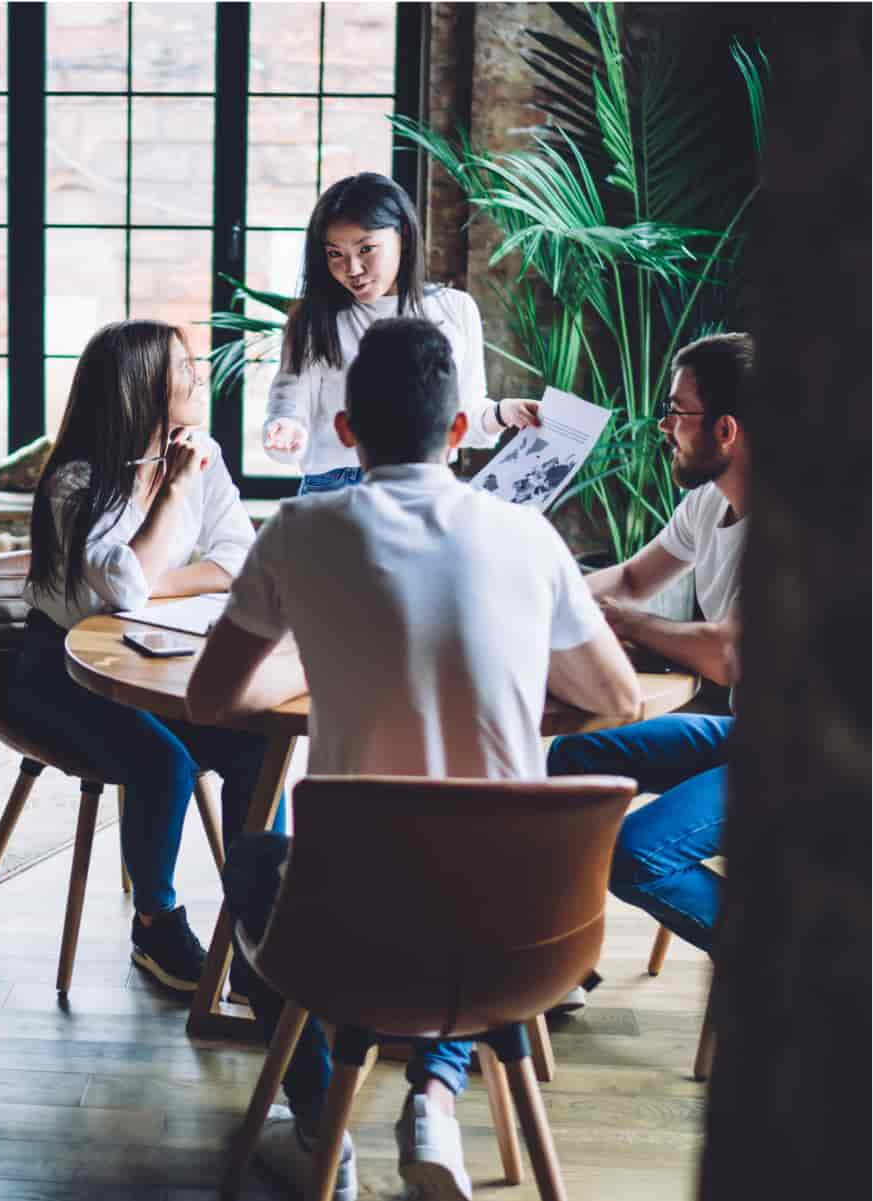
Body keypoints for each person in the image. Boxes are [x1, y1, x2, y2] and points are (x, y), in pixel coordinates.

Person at [187, 317, 641, 1201]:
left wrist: (322, 679)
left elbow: (213, 700)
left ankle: (322, 1127)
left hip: (344, 928)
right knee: (470, 878)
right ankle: (432, 1097)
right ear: (460, 430)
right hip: (526, 937)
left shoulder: (296, 532)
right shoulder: (527, 538)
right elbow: (615, 699)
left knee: (251, 862)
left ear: (346, 429)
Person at [11, 319, 285, 995]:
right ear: (140, 388)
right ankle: (155, 922)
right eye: (183, 367)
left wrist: (143, 582)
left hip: (148, 655)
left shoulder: (202, 452)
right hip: (60, 670)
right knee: (163, 761)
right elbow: (127, 585)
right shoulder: (75, 482)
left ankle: (261, 932)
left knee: (256, 744)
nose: (198, 375)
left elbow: (238, 559)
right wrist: (172, 493)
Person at [547, 332, 753, 956]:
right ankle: (552, 959)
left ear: (725, 429)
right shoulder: (709, 504)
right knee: (568, 761)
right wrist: (550, 593)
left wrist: (623, 620)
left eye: (676, 411)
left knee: (637, 857)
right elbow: (634, 579)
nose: (664, 425)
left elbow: (728, 654)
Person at [262, 171, 542, 495]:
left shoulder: (455, 309)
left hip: (426, 486)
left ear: (404, 236)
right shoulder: (312, 320)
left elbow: (460, 416)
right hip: (334, 487)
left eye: (366, 249)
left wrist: (503, 413)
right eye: (335, 254)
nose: (352, 269)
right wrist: (285, 430)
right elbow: (288, 404)